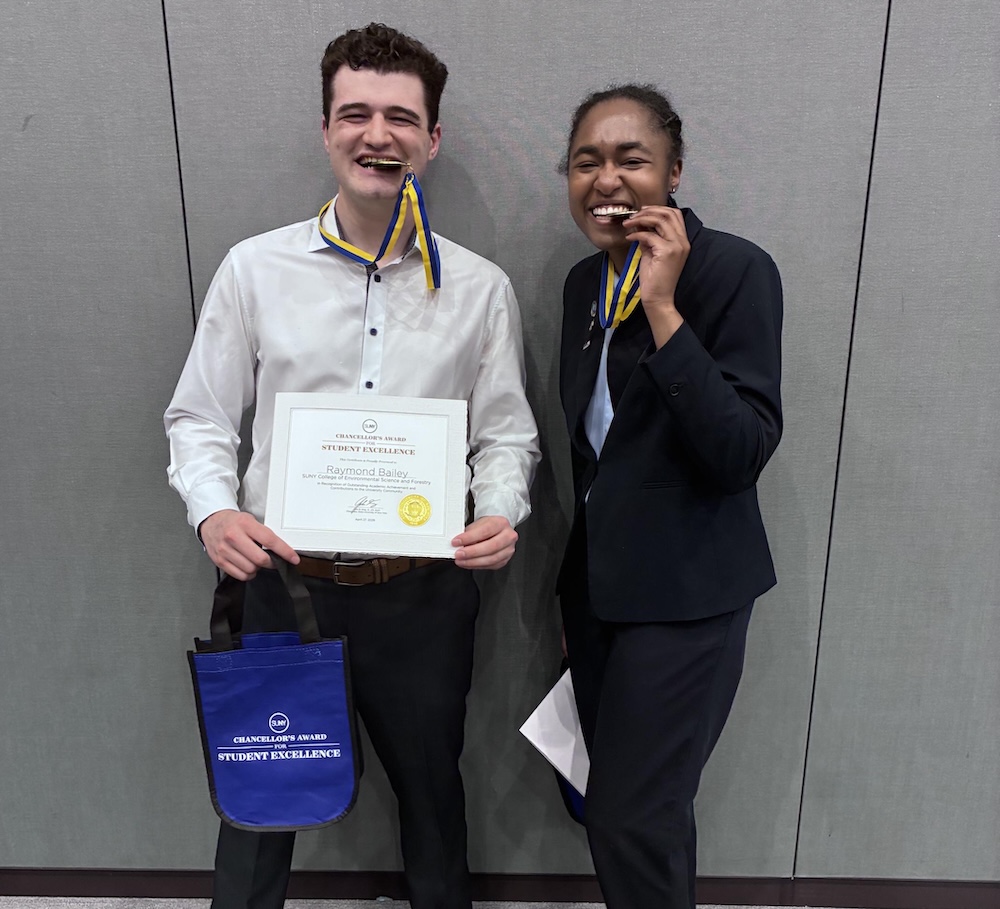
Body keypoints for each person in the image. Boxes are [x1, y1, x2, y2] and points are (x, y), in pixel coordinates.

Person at [164, 23, 539, 909]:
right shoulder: (254, 270)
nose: (380, 135)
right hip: (282, 582)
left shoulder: (479, 287)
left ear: (432, 139)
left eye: (402, 117)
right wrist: (216, 513)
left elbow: (507, 434)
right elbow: (199, 417)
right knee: (261, 805)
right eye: (357, 113)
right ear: (327, 128)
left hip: (421, 592)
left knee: (433, 797)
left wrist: (503, 509)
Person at [555, 84, 783, 909]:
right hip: (599, 591)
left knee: (630, 816)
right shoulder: (584, 283)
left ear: (675, 171)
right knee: (632, 810)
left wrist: (661, 304)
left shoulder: (734, 272)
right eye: (587, 161)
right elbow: (596, 447)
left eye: (631, 158)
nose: (607, 178)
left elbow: (738, 451)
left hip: (687, 596)